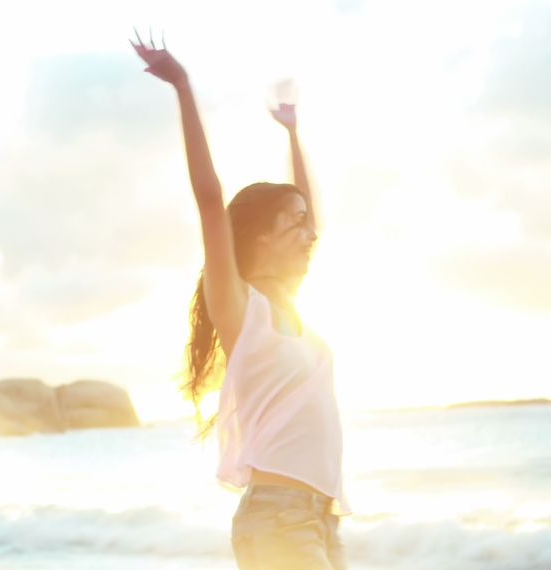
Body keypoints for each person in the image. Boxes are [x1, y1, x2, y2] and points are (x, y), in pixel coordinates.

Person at [131, 30, 350, 570]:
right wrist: (182, 85)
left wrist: (293, 135)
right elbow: (210, 201)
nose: (310, 233)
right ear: (260, 238)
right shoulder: (241, 309)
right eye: (295, 224)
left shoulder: (293, 306)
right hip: (278, 519)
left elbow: (313, 217)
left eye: (307, 224)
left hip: (319, 518)